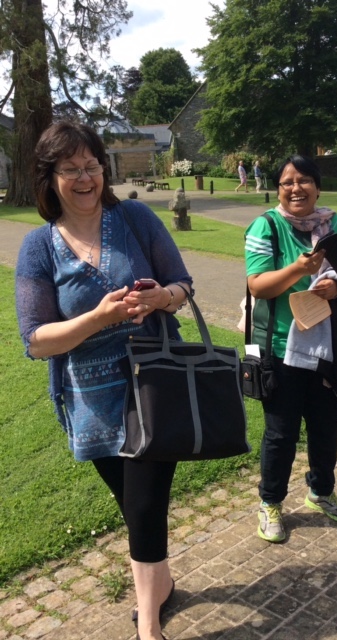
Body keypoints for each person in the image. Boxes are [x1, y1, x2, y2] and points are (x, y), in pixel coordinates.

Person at [15, 121, 193, 640]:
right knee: (135, 506)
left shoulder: (135, 217)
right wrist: (98, 318)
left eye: (92, 165)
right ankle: (161, 584)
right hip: (91, 402)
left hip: (154, 386)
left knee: (143, 503)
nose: (85, 178)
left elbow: (183, 284)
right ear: (49, 178)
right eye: (70, 169)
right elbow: (36, 340)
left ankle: (148, 625)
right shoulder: (38, 247)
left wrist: (163, 298)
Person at [244, 154, 337, 543]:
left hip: (327, 347)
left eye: (304, 180)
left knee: (325, 427)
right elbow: (258, 285)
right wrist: (299, 270)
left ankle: (321, 492)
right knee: (281, 433)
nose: (295, 188)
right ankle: (270, 502)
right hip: (280, 348)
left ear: (318, 187)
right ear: (277, 189)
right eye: (287, 182)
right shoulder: (266, 226)